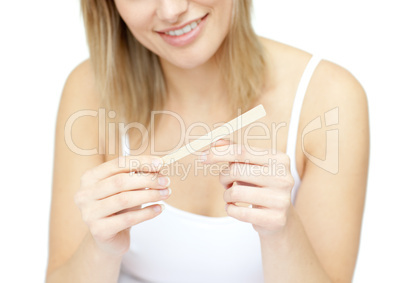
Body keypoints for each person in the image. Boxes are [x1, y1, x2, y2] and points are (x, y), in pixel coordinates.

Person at [46, 0, 370, 282]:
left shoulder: (328, 99)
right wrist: (101, 248)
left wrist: (281, 233)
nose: (172, 10)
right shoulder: (89, 90)